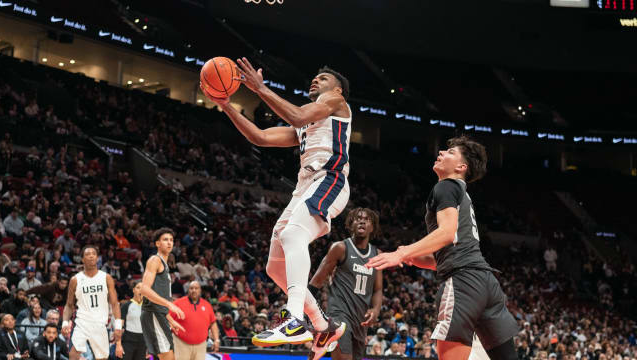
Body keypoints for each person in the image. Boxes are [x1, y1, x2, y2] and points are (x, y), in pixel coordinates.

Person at [201, 58, 351, 347]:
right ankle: (323, 325)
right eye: (315, 77)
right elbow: (260, 137)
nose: (316, 80)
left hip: (329, 178)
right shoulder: (308, 123)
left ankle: (294, 320)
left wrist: (260, 89)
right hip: (305, 186)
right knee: (275, 267)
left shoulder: (335, 102)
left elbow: (296, 115)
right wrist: (225, 104)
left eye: (323, 78)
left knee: (294, 234)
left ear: (338, 90)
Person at [366, 136, 519, 360]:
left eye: (449, 152)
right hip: (486, 283)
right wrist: (413, 258)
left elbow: (446, 234)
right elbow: (447, 253)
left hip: (464, 282)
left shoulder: (446, 186)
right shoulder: (462, 193)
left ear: (461, 167)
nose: (440, 153)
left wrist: (402, 252)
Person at [307, 208, 383, 360]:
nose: (362, 220)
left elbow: (378, 289)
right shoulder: (340, 248)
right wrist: (302, 310)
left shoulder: (377, 255)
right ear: (350, 225)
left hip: (360, 321)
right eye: (357, 218)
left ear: (372, 227)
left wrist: (375, 309)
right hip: (339, 316)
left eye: (366, 219)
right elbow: (317, 280)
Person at [62, 245, 123, 360]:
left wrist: (118, 326)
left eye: (93, 254)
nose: (91, 256)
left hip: (100, 323)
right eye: (87, 254)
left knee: (102, 358)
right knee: (73, 355)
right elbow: (69, 305)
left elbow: (115, 304)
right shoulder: (75, 280)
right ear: (82, 259)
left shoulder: (106, 278)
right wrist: (65, 323)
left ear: (97, 258)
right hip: (82, 322)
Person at [140, 228, 185, 360]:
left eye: (171, 240)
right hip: (152, 314)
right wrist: (170, 305)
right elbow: (144, 289)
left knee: (172, 356)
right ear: (157, 244)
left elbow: (159, 296)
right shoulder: (155, 260)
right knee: (168, 357)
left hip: (159, 314)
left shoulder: (164, 265)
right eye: (165, 240)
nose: (169, 243)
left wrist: (170, 319)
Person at [169, 281, 220, 360]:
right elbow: (167, 318)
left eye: (196, 288)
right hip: (181, 343)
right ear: (188, 290)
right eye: (191, 288)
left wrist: (216, 339)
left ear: (200, 291)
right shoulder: (178, 303)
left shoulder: (207, 305)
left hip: (201, 345)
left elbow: (213, 323)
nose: (194, 290)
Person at [116, 281, 145, 360]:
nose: (141, 290)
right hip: (128, 340)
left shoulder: (148, 307)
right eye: (138, 288)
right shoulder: (126, 305)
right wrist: (118, 345)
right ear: (133, 290)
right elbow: (118, 326)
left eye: (143, 288)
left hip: (143, 342)